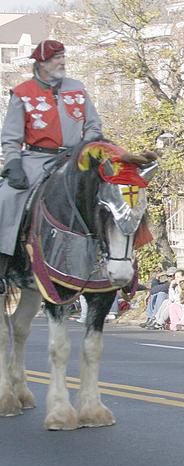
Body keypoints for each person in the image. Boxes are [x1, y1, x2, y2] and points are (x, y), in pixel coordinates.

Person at [0, 40, 104, 292]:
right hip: (35, 159)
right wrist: (13, 164)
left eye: (63, 56)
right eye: (57, 58)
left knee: (114, 193)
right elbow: (11, 137)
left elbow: (93, 125)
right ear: (42, 63)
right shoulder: (22, 93)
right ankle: (3, 265)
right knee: (6, 197)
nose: (62, 62)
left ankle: (113, 262)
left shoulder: (77, 89)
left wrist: (86, 147)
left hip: (75, 158)